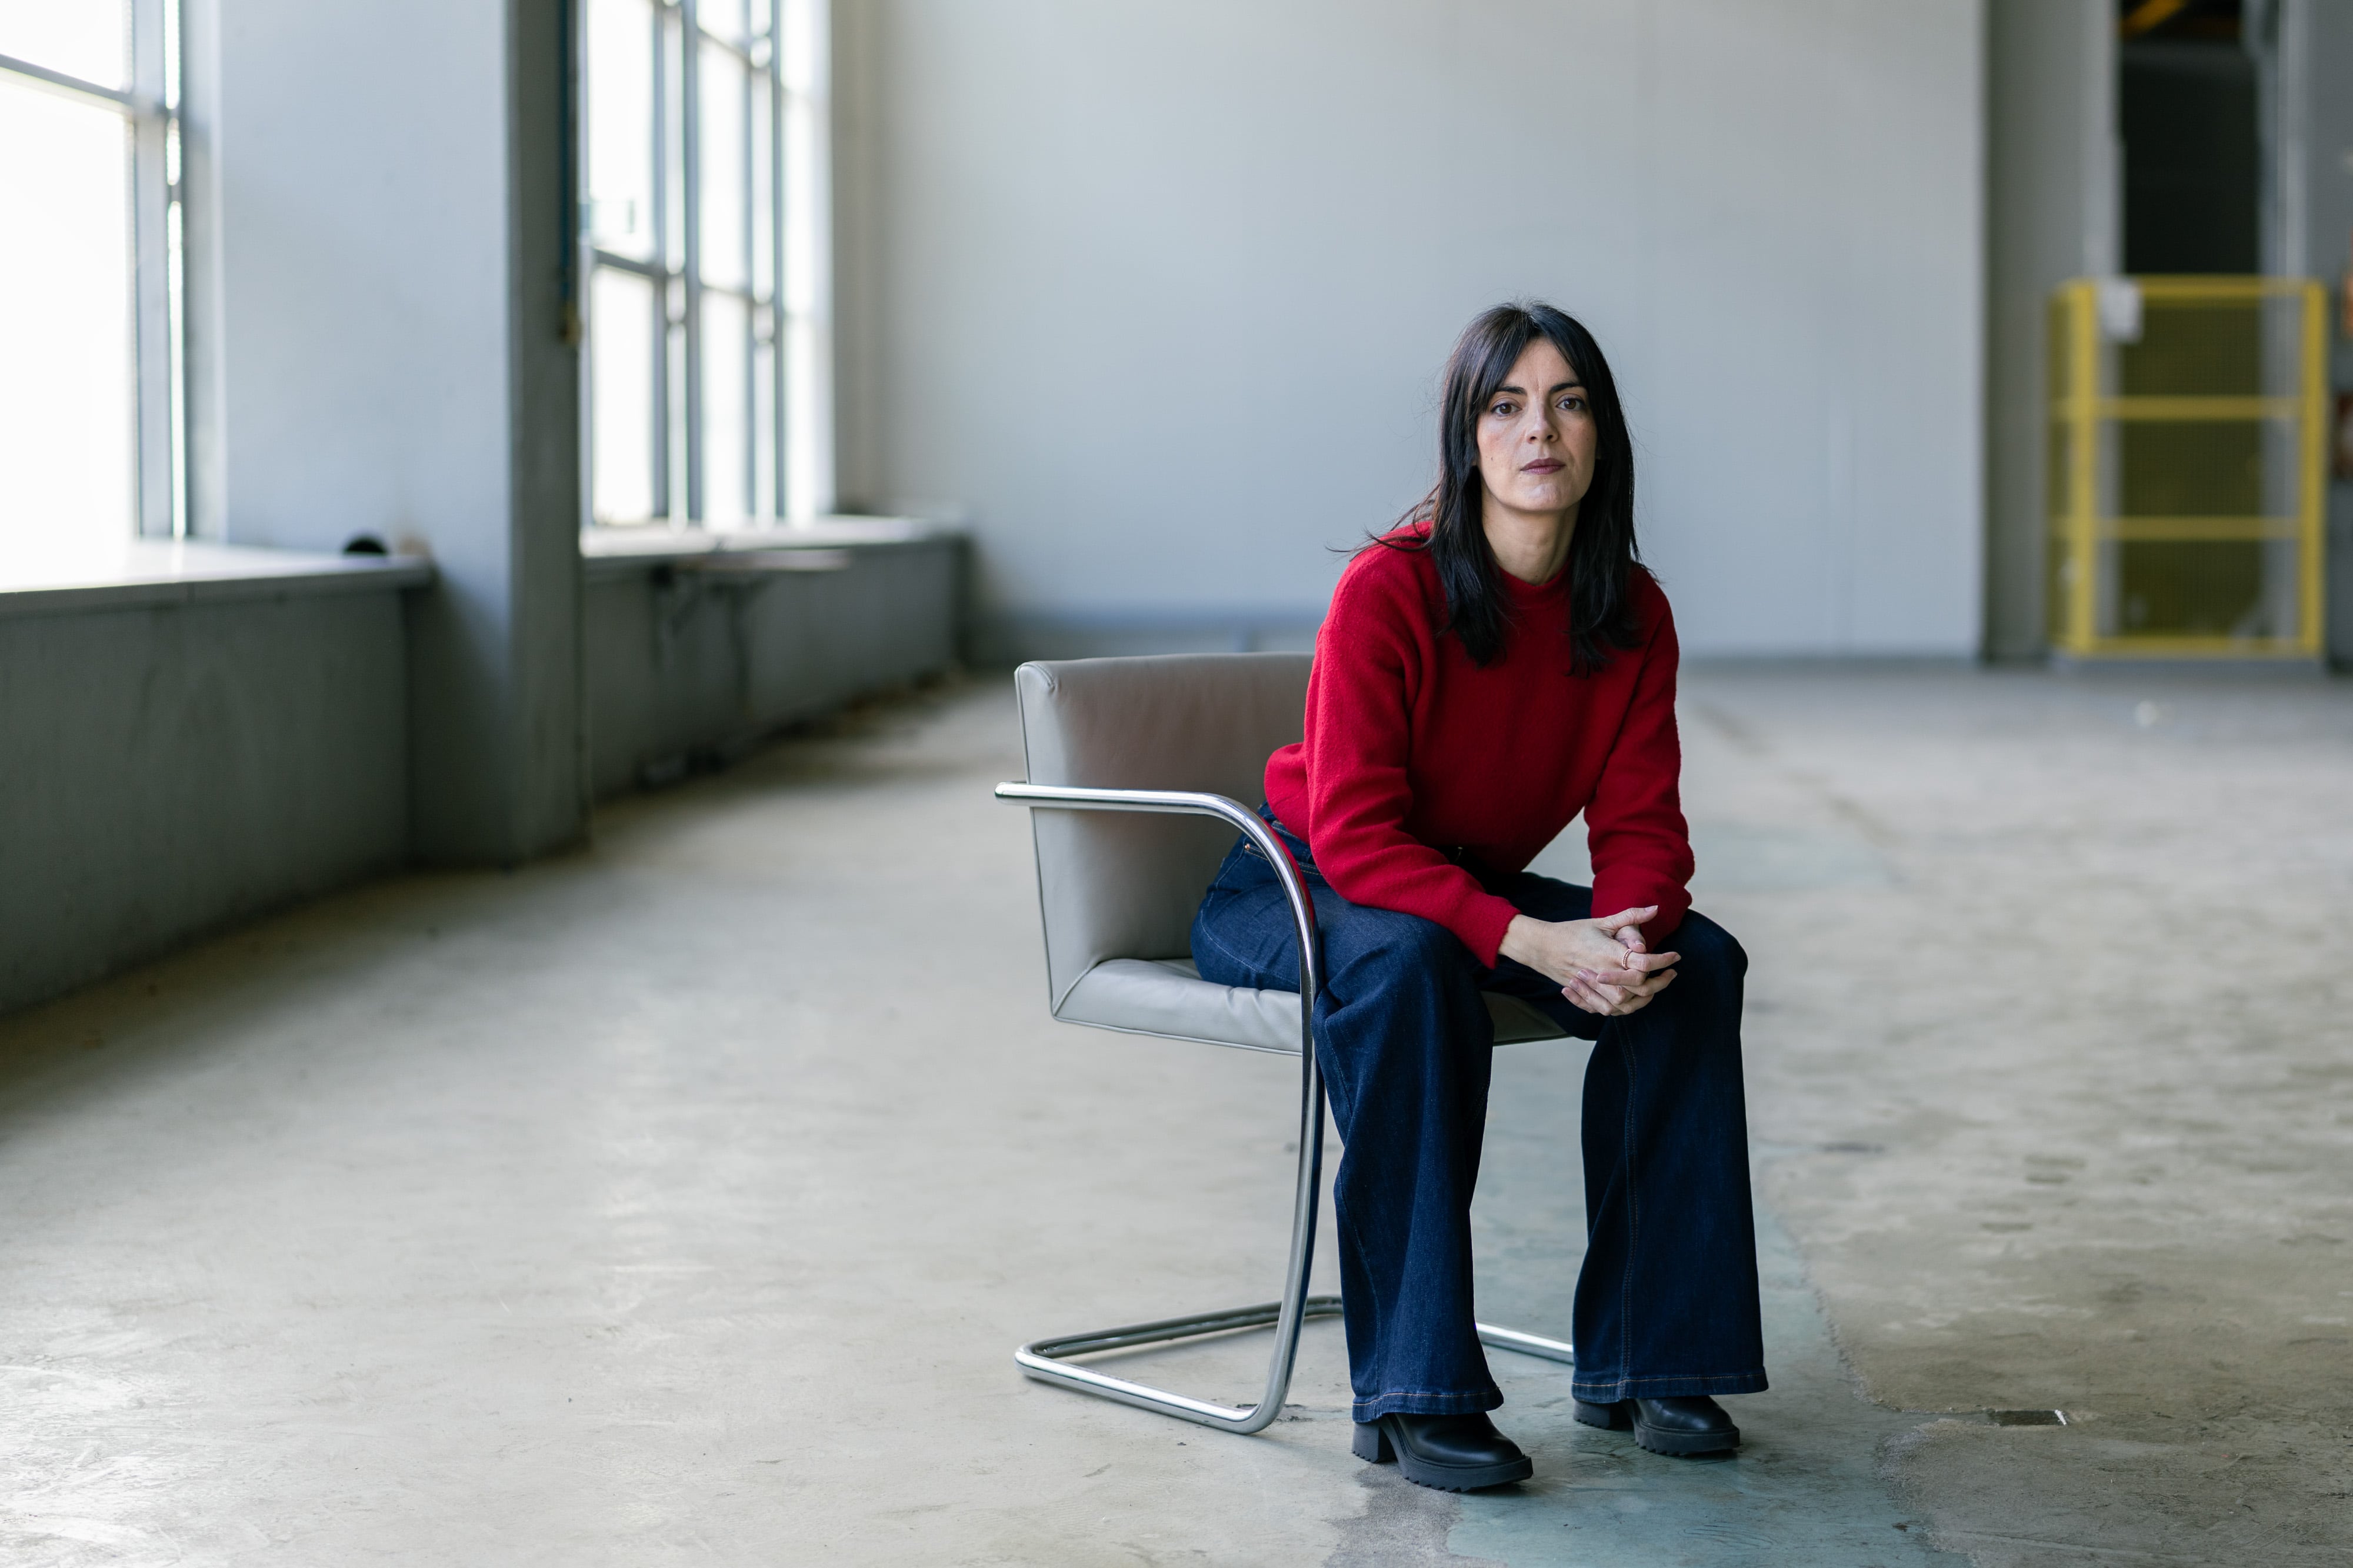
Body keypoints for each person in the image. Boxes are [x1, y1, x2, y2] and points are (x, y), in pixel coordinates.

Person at [1189, 301, 1764, 1492]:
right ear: (1465, 438)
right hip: (1294, 885)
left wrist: (1621, 934)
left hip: (1452, 889)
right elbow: (1351, 833)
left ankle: (1648, 1359)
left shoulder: (1628, 611)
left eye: (1566, 402)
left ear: (1600, 433)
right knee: (1411, 968)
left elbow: (1641, 823)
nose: (1536, 430)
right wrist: (1527, 941)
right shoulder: (1389, 589)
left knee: (1692, 966)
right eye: (1503, 405)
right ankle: (1412, 1392)